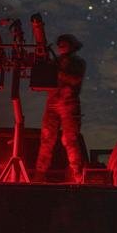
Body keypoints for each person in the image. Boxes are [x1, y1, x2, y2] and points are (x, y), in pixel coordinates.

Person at [35, 34, 86, 183]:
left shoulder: (78, 62)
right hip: (52, 104)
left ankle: (77, 175)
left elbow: (75, 80)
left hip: (69, 104)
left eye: (64, 44)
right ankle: (39, 176)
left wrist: (57, 72)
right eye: (60, 44)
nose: (61, 46)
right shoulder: (54, 62)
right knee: (46, 139)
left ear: (71, 46)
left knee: (70, 140)